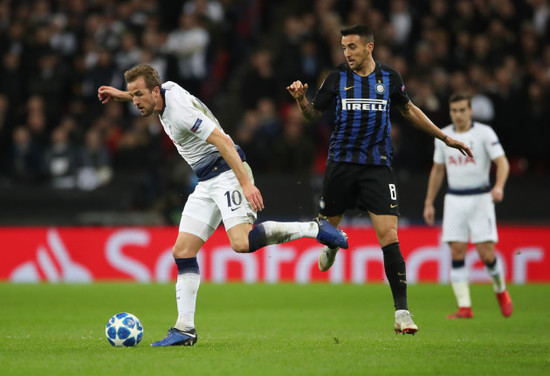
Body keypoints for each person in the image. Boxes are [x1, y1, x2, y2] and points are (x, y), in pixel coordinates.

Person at [98, 64, 348, 347]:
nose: (135, 101)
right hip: (206, 181)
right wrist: (118, 94)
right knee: (182, 251)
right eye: (133, 95)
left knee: (241, 243)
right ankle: (185, 329)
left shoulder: (180, 111)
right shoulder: (162, 91)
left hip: (228, 173)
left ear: (155, 91)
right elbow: (141, 95)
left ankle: (313, 227)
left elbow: (222, 140)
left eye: (138, 95)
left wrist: (245, 183)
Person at [286, 24, 473, 335]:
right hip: (341, 164)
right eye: (344, 47)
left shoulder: (390, 78)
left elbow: (409, 110)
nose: (346, 53)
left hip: (377, 166)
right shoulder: (336, 78)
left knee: (389, 235)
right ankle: (332, 243)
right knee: (327, 228)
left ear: (369, 47)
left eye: (352, 47)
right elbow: (313, 116)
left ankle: (402, 313)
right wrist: (301, 100)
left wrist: (444, 137)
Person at [423, 93, 513, 319]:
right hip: (454, 199)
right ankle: (464, 307)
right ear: (450, 112)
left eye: (462, 110)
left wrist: (499, 186)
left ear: (470, 111)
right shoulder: (443, 136)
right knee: (456, 251)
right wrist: (429, 202)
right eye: (454, 111)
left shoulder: (484, 133)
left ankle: (501, 290)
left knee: (486, 254)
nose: (459, 115)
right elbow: (438, 170)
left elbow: (502, 162)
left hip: (481, 198)